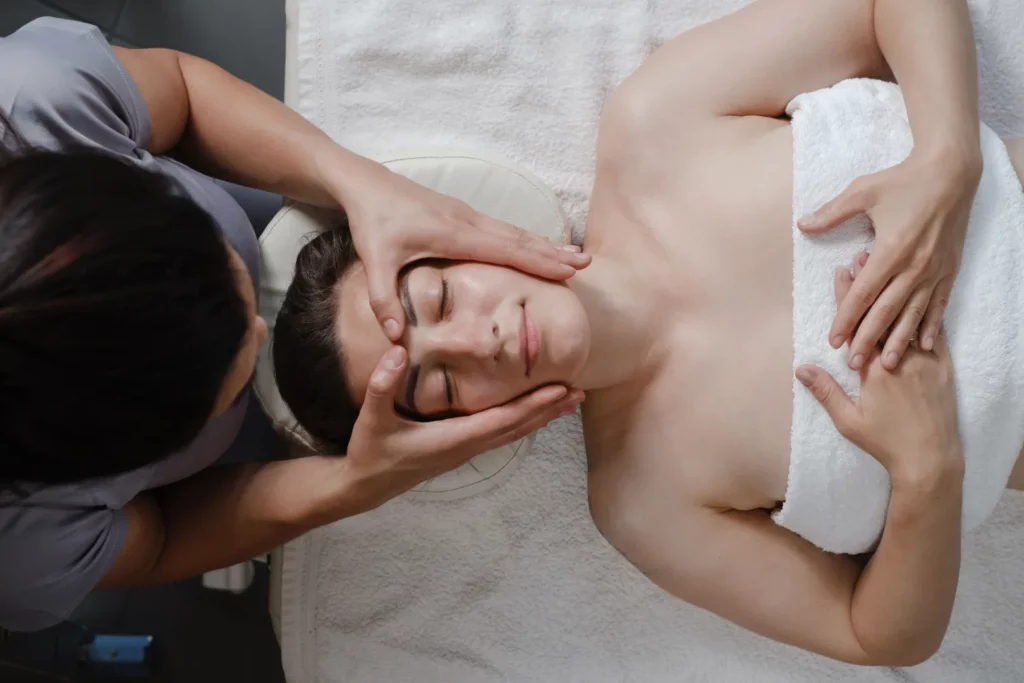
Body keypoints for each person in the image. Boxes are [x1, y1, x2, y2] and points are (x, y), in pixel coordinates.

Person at [271, 0, 1024, 666]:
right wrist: (927, 472)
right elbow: (879, 635)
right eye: (439, 384)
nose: (478, 343)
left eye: (439, 300)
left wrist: (946, 159)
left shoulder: (654, 125)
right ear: (454, 432)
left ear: (450, 242)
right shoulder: (643, 504)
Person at [0, 17, 590, 632]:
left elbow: (182, 90)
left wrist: (354, 180)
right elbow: (163, 538)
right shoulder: (22, 554)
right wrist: (354, 485)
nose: (261, 328)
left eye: (438, 297)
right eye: (438, 384)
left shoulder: (30, 97)